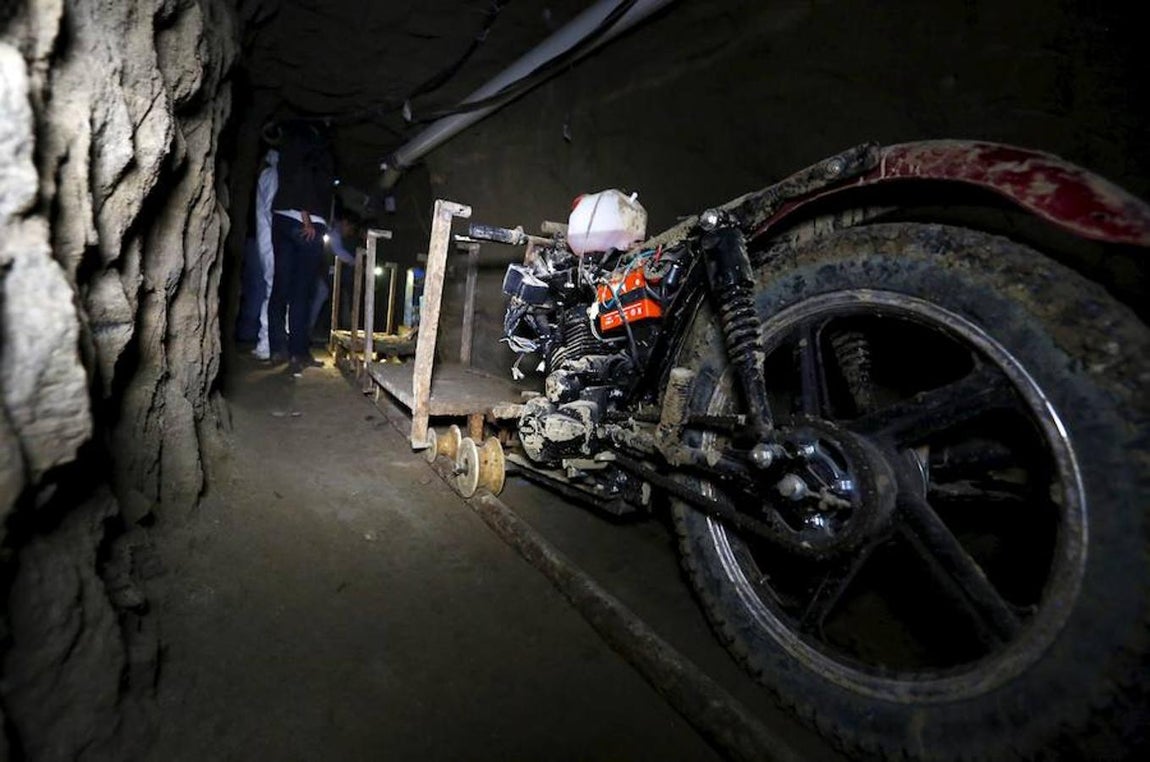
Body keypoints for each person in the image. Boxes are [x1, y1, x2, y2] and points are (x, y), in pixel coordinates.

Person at [267, 124, 335, 375]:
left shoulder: (288, 149)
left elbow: (293, 177)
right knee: (301, 292)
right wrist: (306, 217)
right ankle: (298, 353)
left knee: (281, 286)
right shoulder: (312, 150)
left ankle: (278, 350)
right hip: (305, 223)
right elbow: (304, 178)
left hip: (282, 219)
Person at [252, 147, 279, 361]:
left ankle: (269, 343)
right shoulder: (273, 175)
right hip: (272, 242)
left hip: (269, 241)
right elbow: (272, 209)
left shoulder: (268, 174)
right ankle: (267, 344)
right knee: (274, 291)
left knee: (274, 291)